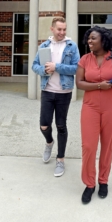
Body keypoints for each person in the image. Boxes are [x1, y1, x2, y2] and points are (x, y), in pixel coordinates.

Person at [76, 26, 112, 204]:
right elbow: (79, 83)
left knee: (108, 145)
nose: (89, 41)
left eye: (93, 38)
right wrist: (98, 86)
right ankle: (89, 184)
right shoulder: (84, 59)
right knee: (88, 146)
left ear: (103, 40)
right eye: (88, 39)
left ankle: (103, 181)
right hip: (90, 106)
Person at [32, 17, 80, 177]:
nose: (62, 32)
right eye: (59, 29)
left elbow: (76, 68)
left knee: (61, 125)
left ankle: (60, 160)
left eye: (64, 29)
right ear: (52, 29)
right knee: (44, 125)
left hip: (64, 92)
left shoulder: (72, 46)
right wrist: (44, 70)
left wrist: (56, 67)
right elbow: (34, 65)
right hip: (47, 90)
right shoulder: (44, 46)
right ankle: (49, 142)